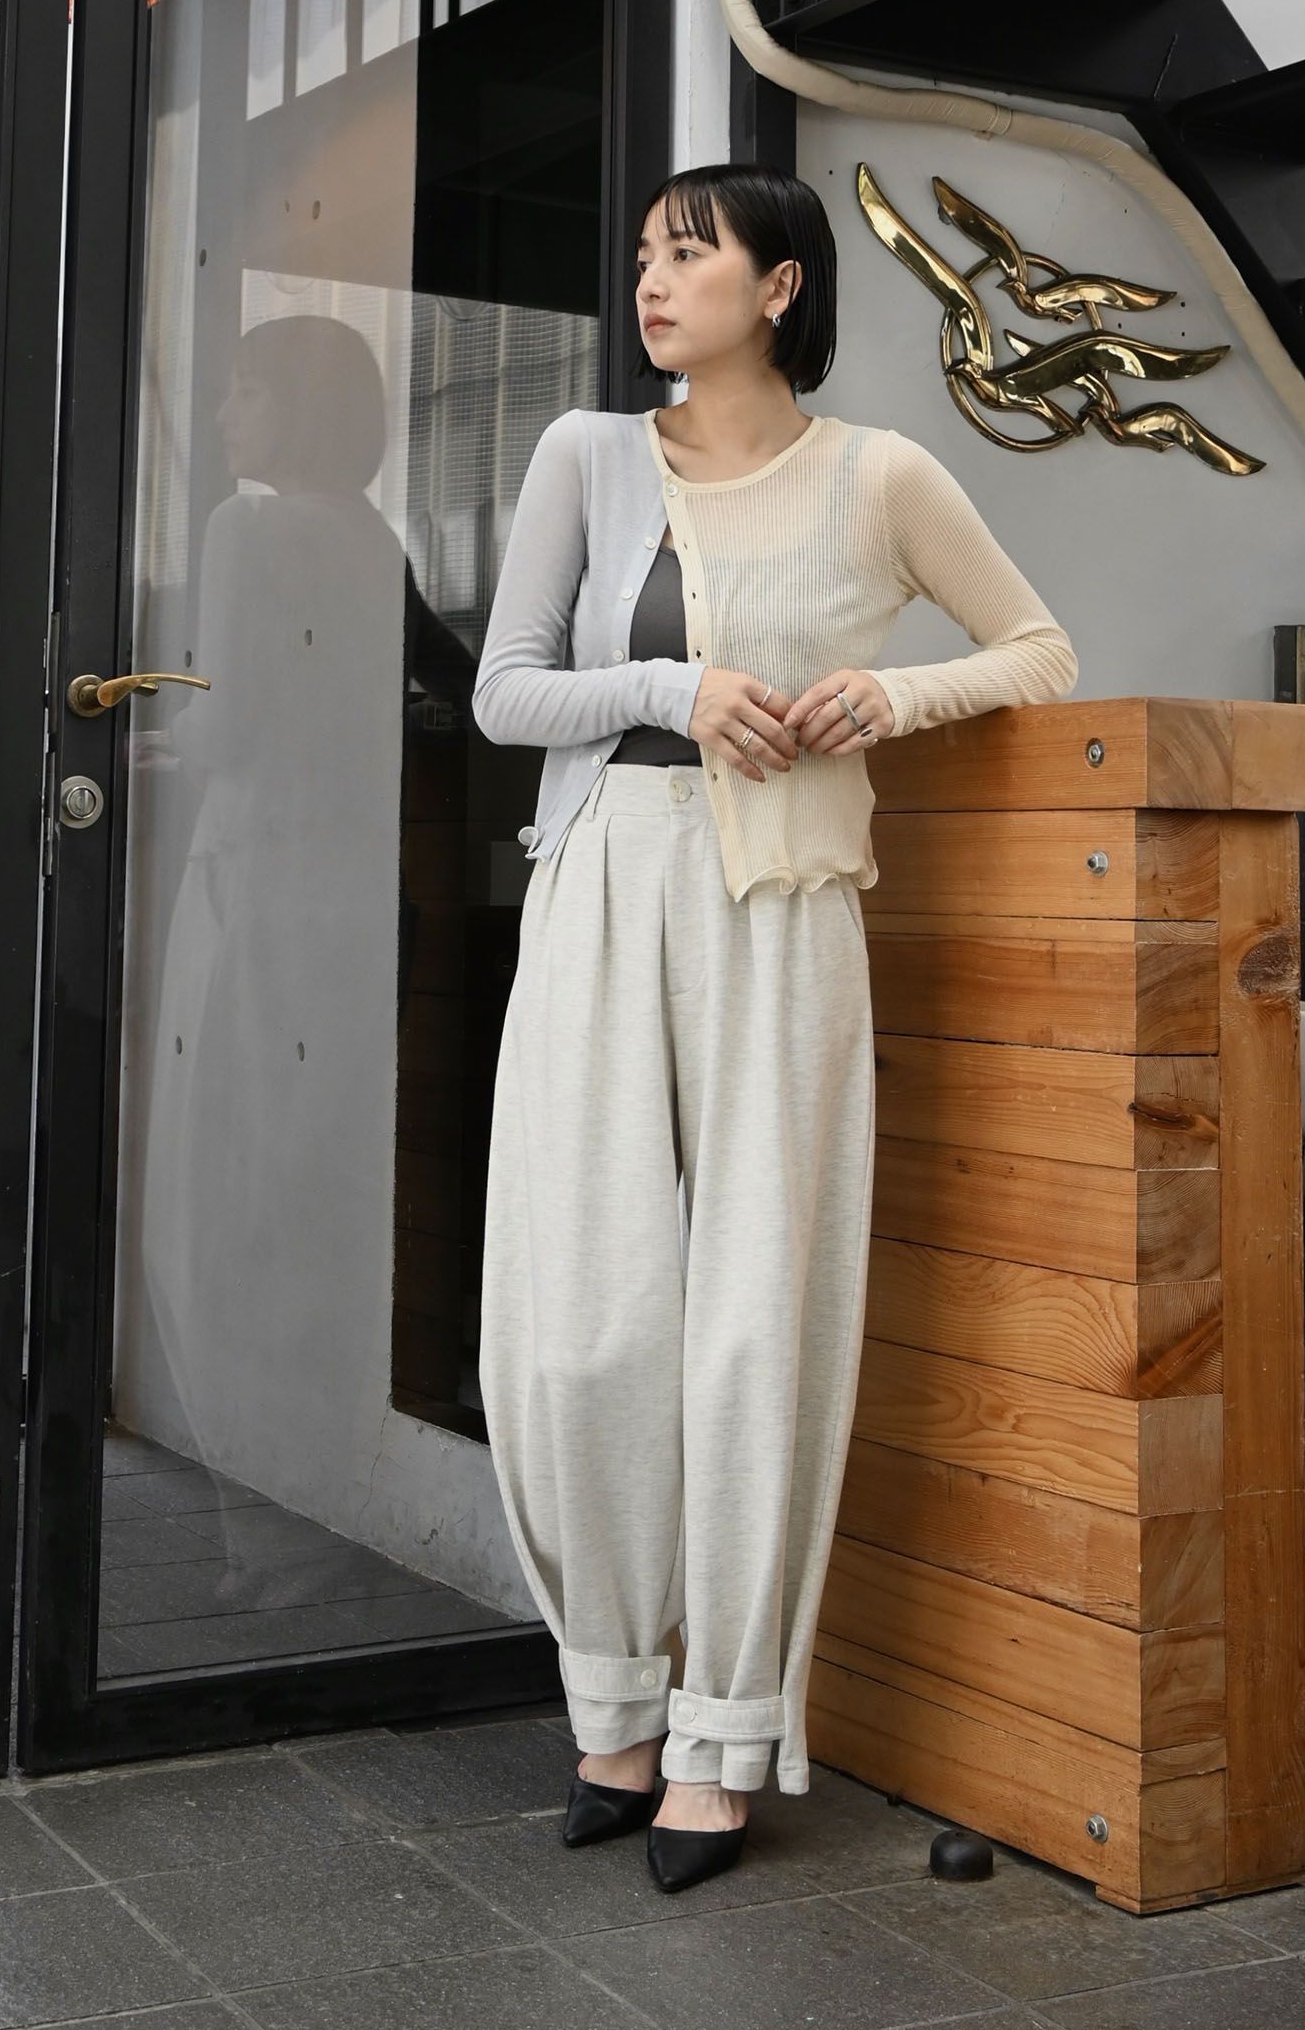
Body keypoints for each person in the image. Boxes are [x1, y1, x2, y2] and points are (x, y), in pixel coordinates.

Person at [473, 162, 1079, 1893]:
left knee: (753, 1325)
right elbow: (509, 691)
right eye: (645, 256)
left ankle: (724, 1737)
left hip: (784, 913)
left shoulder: (880, 476)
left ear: (783, 285)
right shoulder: (587, 457)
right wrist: (674, 688)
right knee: (583, 1327)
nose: (653, 282)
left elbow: (1036, 648)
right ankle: (611, 1701)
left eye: (691, 254)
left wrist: (889, 693)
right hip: (603, 890)